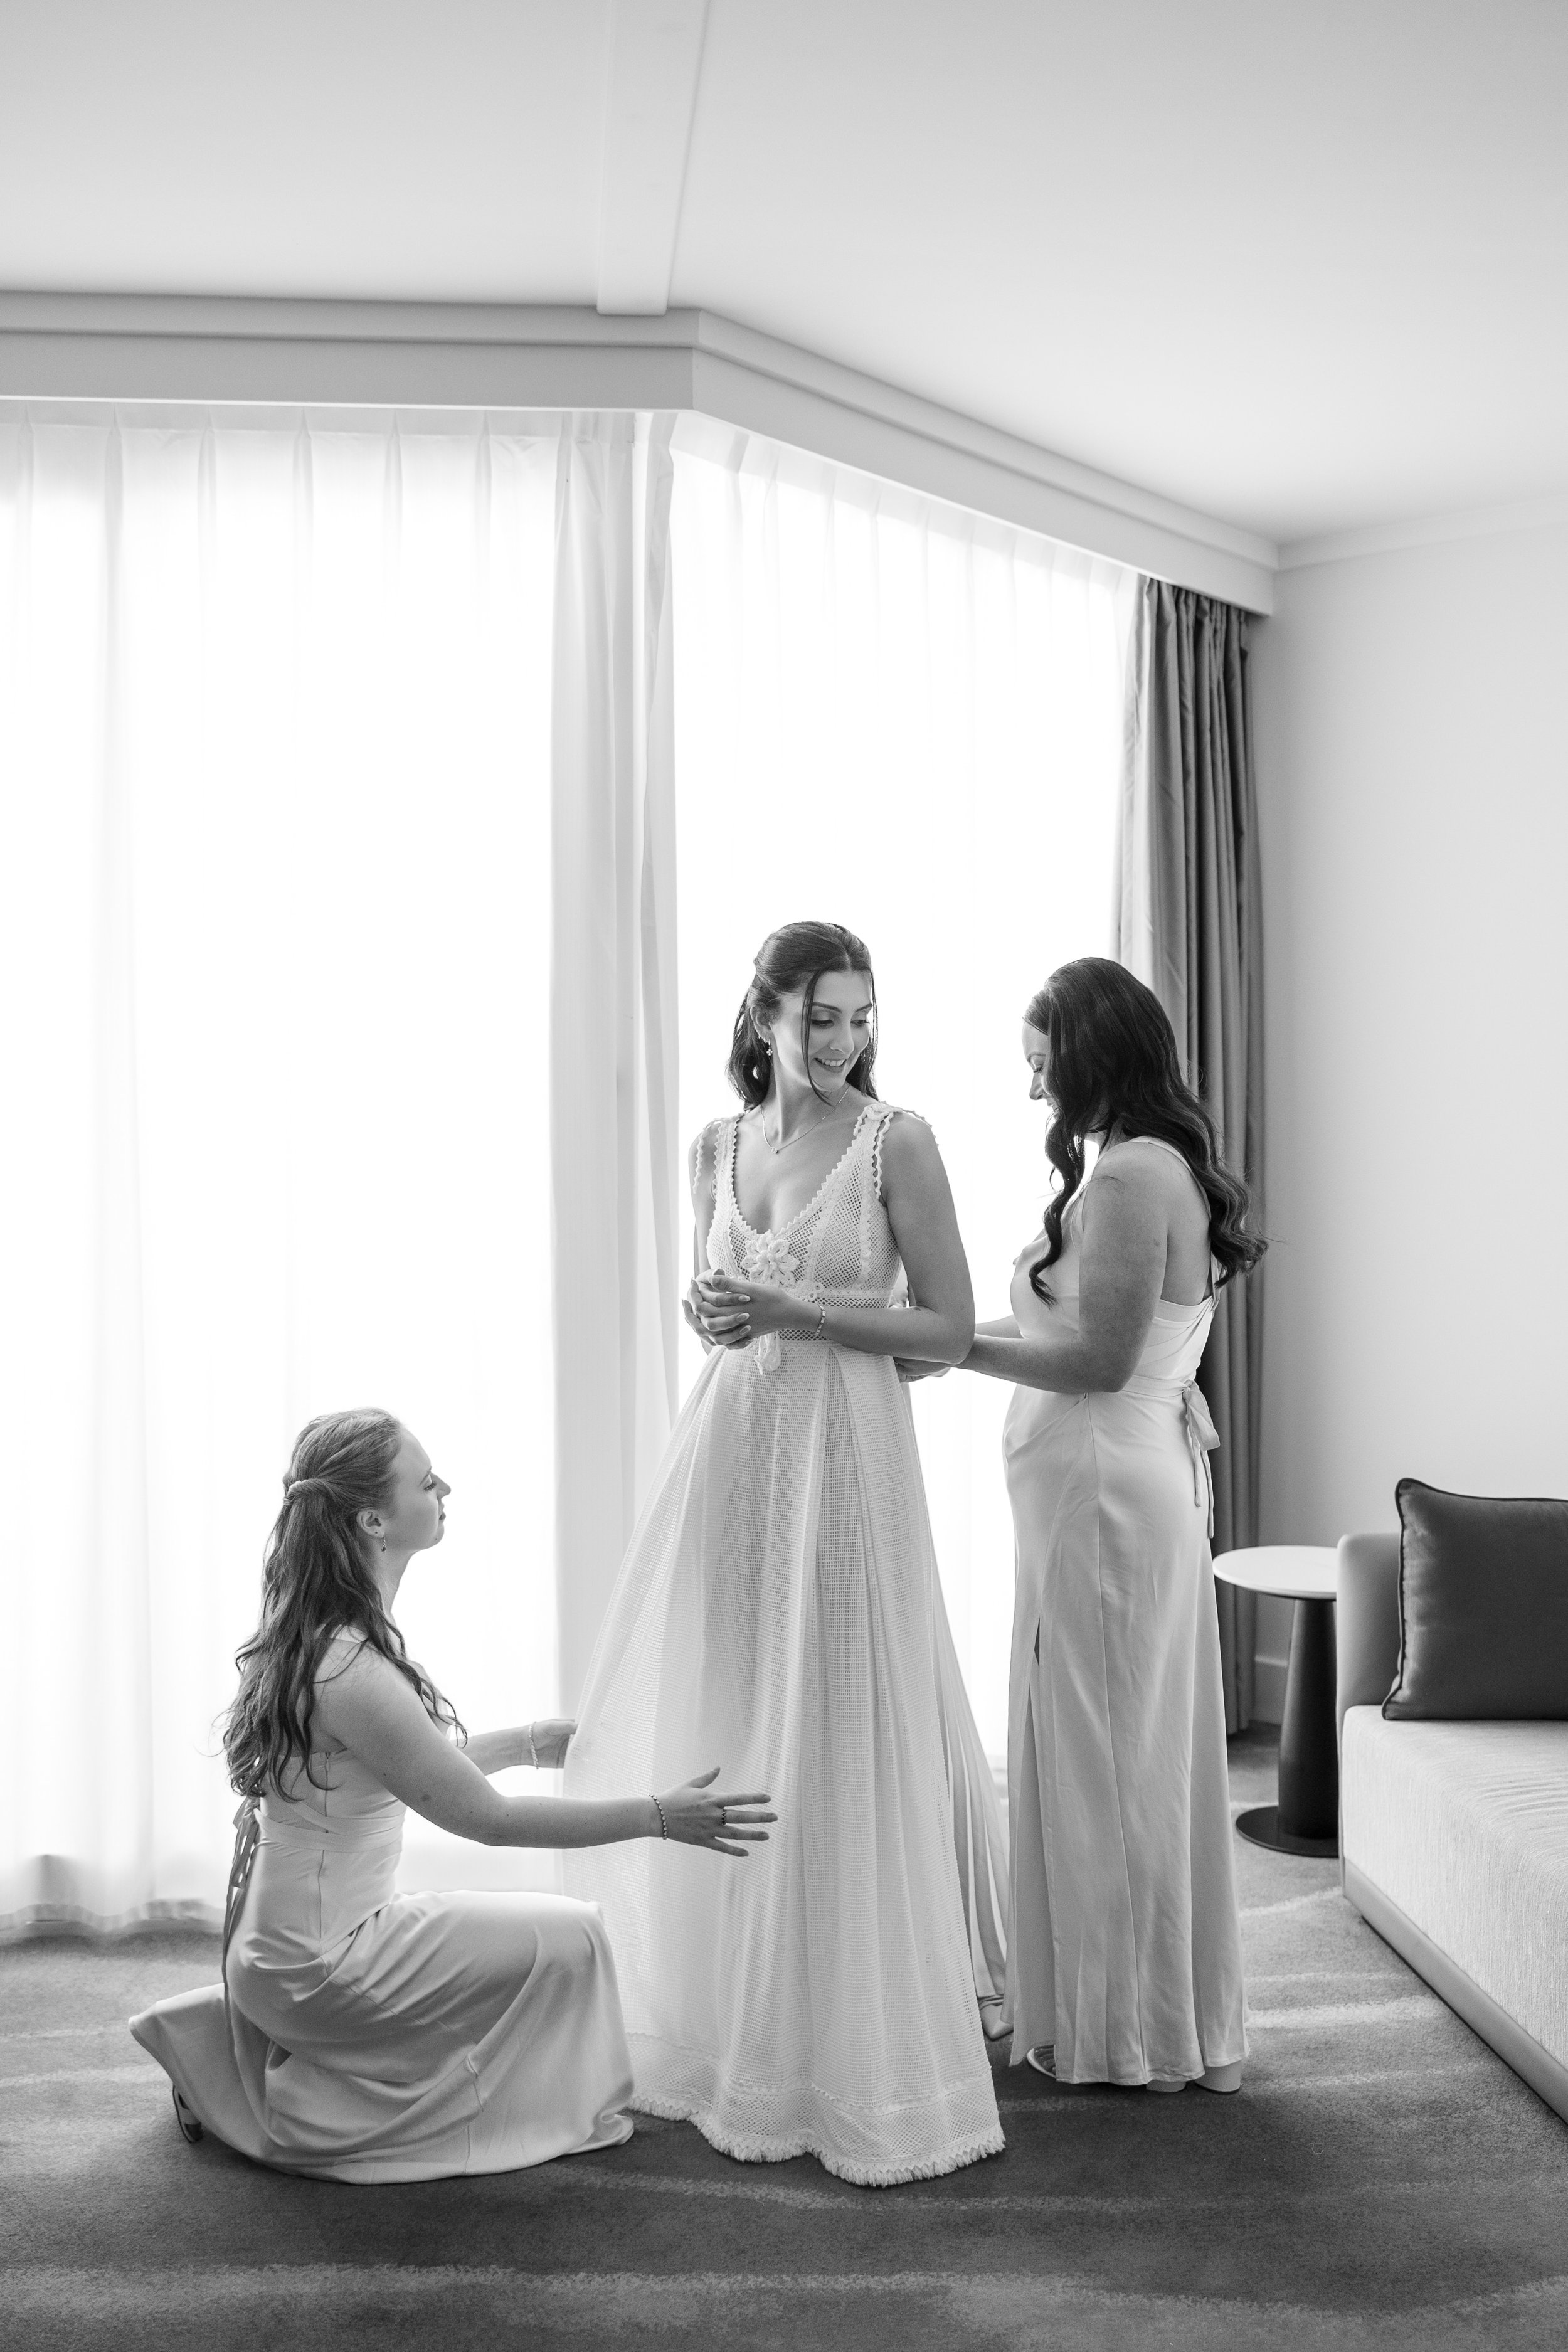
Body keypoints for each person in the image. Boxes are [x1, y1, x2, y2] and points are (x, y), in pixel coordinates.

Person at [563, 921, 1009, 2186]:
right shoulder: (714, 1144)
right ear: (759, 1016)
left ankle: (842, 2046)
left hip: (846, 1461)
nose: (843, 1041)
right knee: (730, 1708)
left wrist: (797, 1310)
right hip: (733, 1459)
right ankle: (718, 2025)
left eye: (860, 1016)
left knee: (833, 1721)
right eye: (819, 1017)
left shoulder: (893, 1143)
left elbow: (946, 1330)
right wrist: (719, 1314)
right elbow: (716, 1311)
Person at [129, 1407, 771, 2181]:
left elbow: (401, 1767)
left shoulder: (325, 1635)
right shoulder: (351, 1667)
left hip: (291, 1944)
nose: (445, 1489)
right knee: (572, 1939)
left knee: (530, 1942)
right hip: (320, 1963)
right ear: (373, 1518)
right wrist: (661, 1817)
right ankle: (284, 2095)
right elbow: (485, 1821)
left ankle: (272, 2063)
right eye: (427, 1481)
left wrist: (532, 1742)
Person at [943, 957, 1264, 2094]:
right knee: (1115, 1746)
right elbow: (1082, 1328)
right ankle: (1130, 2011)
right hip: (1102, 1493)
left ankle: (1124, 2028)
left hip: (1105, 1501)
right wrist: (927, 1333)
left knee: (1109, 1755)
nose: (1037, 1092)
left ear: (1092, 1054)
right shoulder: (1137, 1167)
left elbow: (1096, 1358)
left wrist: (940, 1346)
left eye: (1045, 1065)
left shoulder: (1129, 1179)